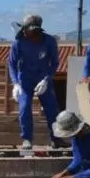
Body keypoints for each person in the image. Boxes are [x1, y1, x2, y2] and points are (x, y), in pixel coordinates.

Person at [8, 14, 60, 149]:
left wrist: (46, 80)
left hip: (43, 78)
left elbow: (54, 63)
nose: (26, 33)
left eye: (29, 31)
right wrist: (15, 84)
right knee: (24, 108)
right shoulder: (18, 42)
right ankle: (27, 139)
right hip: (25, 79)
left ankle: (56, 138)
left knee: (52, 109)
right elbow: (12, 64)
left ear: (37, 30)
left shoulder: (49, 41)